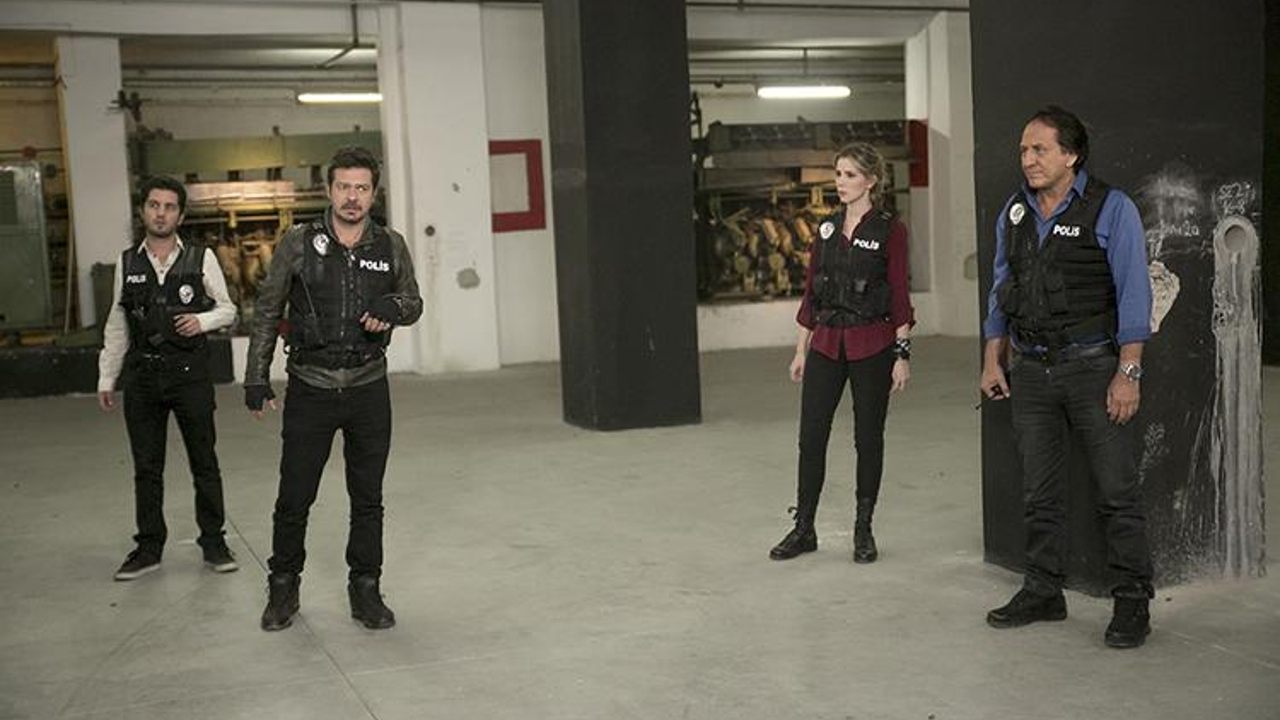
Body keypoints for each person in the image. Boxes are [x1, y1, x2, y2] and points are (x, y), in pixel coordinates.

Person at [980, 106, 1154, 649]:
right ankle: (1043, 591)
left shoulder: (1111, 207)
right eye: (1023, 150)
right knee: (1039, 490)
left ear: (1071, 154)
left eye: (1040, 149)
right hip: (1031, 369)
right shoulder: (1014, 211)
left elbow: (1135, 295)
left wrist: (1128, 373)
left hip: (1092, 367)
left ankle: (1132, 600)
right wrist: (992, 358)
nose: (1028, 159)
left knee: (1116, 491)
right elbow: (1000, 288)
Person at [244, 146, 422, 632]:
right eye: (344, 187)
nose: (352, 197)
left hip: (368, 388)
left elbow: (413, 301)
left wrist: (394, 308)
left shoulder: (390, 245)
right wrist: (257, 376)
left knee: (368, 499)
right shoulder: (298, 242)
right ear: (329, 189)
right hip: (311, 388)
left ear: (374, 193)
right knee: (294, 497)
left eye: (362, 188)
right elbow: (267, 310)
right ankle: (283, 588)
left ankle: (366, 589)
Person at [770, 142, 914, 564]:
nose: (841, 182)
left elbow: (899, 295)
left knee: (868, 439)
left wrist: (902, 354)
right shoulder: (827, 229)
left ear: (870, 181)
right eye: (838, 174)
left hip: (873, 345)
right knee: (810, 437)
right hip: (827, 344)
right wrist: (801, 350)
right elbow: (811, 293)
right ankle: (804, 529)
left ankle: (863, 529)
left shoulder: (890, 230)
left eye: (850, 175)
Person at [98, 176, 239, 580]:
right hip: (142, 379)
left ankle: (213, 542)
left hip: (190, 376)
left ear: (181, 215)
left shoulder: (201, 258)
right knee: (147, 468)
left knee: (204, 463)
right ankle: (148, 549)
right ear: (143, 210)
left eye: (170, 207)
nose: (161, 213)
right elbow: (117, 323)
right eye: (154, 205)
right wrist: (107, 376)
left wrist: (202, 320)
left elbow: (228, 309)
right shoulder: (127, 262)